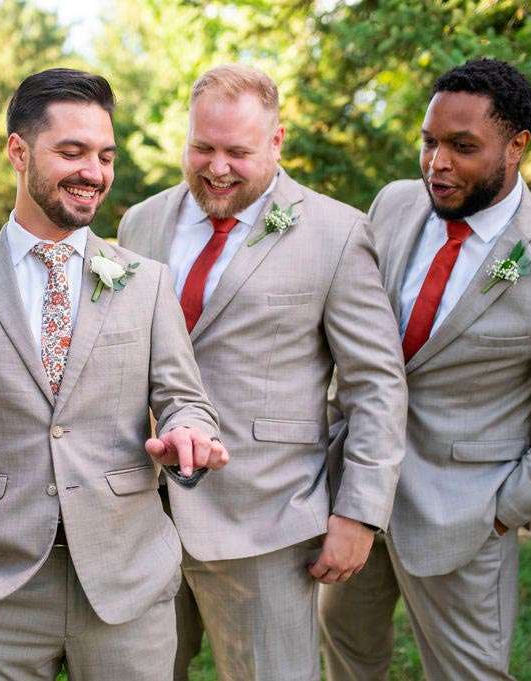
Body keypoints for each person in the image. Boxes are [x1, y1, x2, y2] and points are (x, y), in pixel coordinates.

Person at [0, 67, 227, 681]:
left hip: (127, 579)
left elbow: (185, 398)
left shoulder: (146, 282)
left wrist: (188, 429)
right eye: (72, 152)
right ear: (18, 151)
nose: (94, 173)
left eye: (105, 156)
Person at [318, 58, 531, 680]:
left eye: (462, 147)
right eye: (429, 142)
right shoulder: (394, 204)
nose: (437, 163)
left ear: (517, 146)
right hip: (353, 491)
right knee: (346, 653)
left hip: (463, 518)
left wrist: (504, 509)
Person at [118, 63, 407, 681]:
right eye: (203, 147)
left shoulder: (336, 232)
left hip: (266, 521)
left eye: (238, 152)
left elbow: (376, 386)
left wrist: (359, 514)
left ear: (276, 142)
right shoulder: (140, 222)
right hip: (139, 516)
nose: (217, 167)